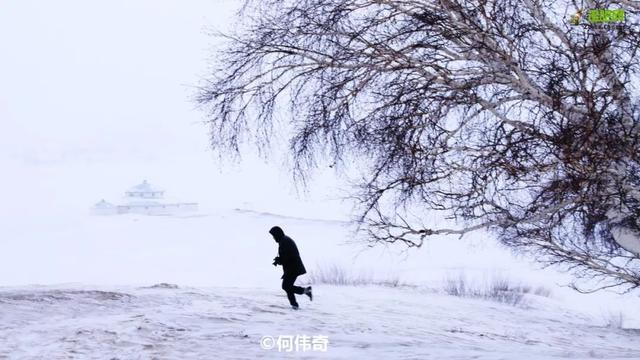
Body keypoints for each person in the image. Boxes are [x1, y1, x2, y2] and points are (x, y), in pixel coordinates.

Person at [270, 226, 312, 309]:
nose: (273, 238)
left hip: (293, 268)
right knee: (287, 286)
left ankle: (305, 292)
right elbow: (285, 256)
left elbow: (287, 257)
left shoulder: (284, 242)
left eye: (274, 236)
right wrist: (279, 260)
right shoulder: (284, 240)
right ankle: (294, 305)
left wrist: (279, 261)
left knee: (286, 286)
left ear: (277, 234)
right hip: (292, 267)